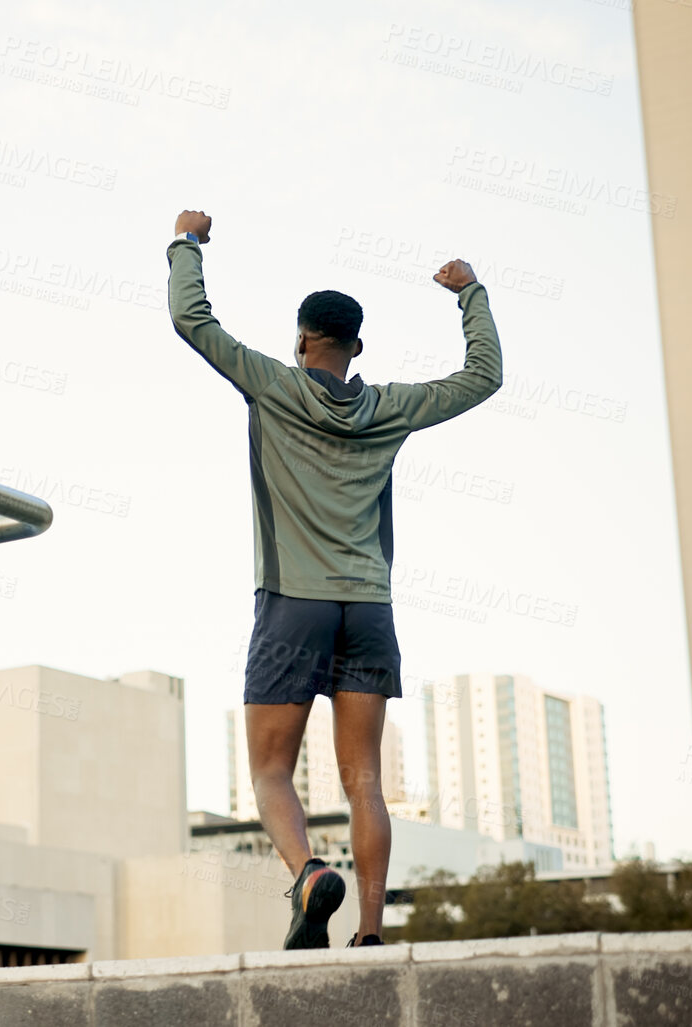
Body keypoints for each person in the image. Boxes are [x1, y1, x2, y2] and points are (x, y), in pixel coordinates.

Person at [165, 210, 501, 949]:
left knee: (270, 771)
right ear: (356, 347)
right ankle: (372, 929)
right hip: (370, 608)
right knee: (364, 781)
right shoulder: (389, 407)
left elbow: (191, 319)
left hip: (292, 603)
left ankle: (308, 873)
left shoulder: (273, 384)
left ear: (300, 339)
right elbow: (483, 377)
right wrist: (468, 292)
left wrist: (187, 242)